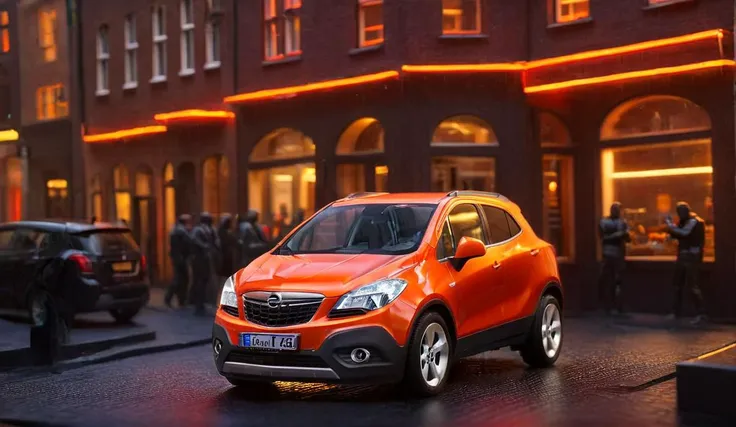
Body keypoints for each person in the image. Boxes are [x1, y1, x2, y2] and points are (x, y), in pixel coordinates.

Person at [665, 202, 707, 325]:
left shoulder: (695, 221)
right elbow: (679, 234)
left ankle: (701, 313)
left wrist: (670, 225)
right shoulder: (685, 221)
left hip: (691, 257)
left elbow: (684, 233)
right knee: (678, 284)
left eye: (681, 212)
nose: (680, 214)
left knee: (693, 285)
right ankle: (675, 312)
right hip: (683, 256)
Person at [598, 202, 629, 315]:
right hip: (608, 255)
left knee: (618, 282)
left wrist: (621, 235)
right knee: (607, 281)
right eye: (614, 209)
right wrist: (618, 235)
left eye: (617, 209)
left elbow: (627, 237)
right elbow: (603, 237)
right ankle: (607, 306)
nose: (615, 211)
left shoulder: (622, 222)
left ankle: (618, 306)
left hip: (618, 255)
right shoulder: (604, 222)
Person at [191, 213, 218, 315]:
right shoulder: (198, 230)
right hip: (199, 259)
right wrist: (204, 246)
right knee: (200, 282)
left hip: (208, 259)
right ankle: (198, 304)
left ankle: (204, 302)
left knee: (206, 281)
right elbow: (194, 241)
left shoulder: (211, 229)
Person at [165, 214, 192, 308]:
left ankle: (181, 300)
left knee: (182, 280)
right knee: (179, 280)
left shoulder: (178, 231)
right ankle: (170, 298)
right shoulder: (179, 232)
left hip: (180, 259)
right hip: (180, 259)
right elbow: (180, 247)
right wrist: (180, 259)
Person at [216, 214, 236, 298]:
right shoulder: (221, 232)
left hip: (228, 257)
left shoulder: (228, 232)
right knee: (223, 278)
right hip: (223, 258)